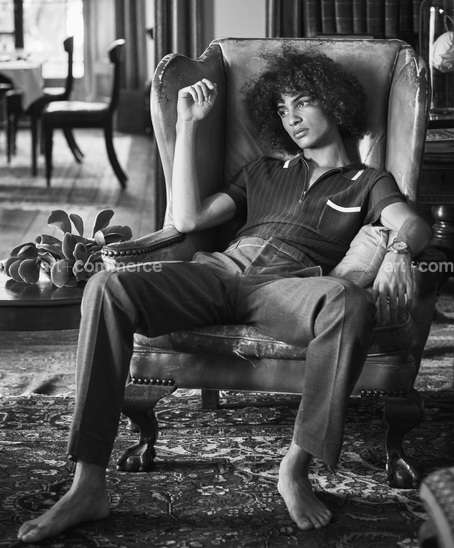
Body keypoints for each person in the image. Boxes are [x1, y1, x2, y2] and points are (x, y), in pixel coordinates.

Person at [17, 48, 432, 543]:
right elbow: (187, 219)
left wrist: (399, 250)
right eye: (282, 109)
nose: (292, 118)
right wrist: (187, 124)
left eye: (303, 102)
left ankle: (295, 468)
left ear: (336, 103)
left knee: (350, 303)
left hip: (288, 285)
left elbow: (412, 224)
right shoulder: (262, 171)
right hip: (218, 271)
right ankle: (87, 484)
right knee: (107, 287)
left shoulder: (367, 181)